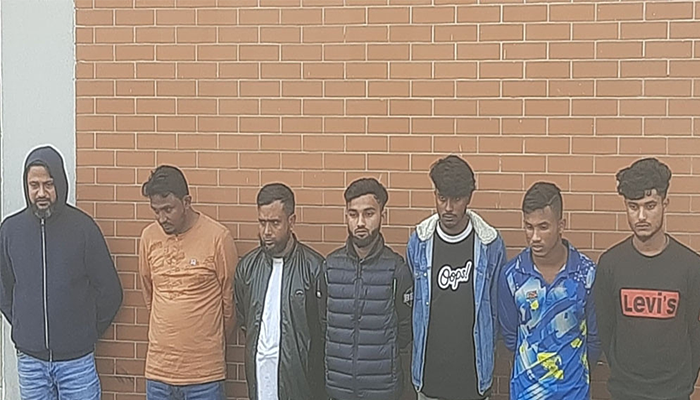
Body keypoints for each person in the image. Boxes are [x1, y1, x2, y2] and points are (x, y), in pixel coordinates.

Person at [0, 145, 123, 400]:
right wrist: (24, 326)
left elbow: (110, 291)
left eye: (48, 184)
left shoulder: (83, 229)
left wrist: (86, 332)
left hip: (77, 364)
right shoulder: (11, 231)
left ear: (60, 182)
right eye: (34, 185)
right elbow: (5, 289)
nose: (41, 193)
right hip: (31, 364)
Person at [594, 158, 700, 400]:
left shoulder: (691, 266)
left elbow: (695, 330)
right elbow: (606, 328)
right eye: (633, 207)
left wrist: (685, 382)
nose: (641, 216)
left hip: (674, 392)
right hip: (625, 391)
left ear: (665, 203)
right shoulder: (611, 264)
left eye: (650, 206)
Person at [406, 155, 507, 400]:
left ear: (469, 198)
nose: (449, 208)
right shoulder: (419, 241)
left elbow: (495, 309)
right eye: (442, 198)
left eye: (457, 199)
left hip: (474, 377)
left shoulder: (490, 244)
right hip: (429, 378)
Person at [138, 165, 237, 400]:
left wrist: (209, 342)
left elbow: (230, 301)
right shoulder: (148, 237)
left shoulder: (218, 238)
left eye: (168, 209)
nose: (162, 218)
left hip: (204, 375)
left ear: (187, 202)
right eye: (156, 211)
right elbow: (149, 294)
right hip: (158, 371)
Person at [498, 182, 600, 400]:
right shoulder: (511, 275)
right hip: (526, 393)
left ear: (561, 225)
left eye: (543, 227)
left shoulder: (587, 274)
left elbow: (595, 338)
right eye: (529, 227)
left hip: (574, 393)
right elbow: (510, 337)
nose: (535, 237)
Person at [319, 178, 413, 400]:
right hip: (338, 388)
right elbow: (323, 323)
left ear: (382, 215)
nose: (360, 222)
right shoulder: (329, 267)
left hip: (383, 389)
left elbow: (405, 329)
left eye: (368, 214)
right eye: (353, 214)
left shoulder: (397, 269)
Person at [234, 183, 325, 400]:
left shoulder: (314, 268)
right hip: (259, 379)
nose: (267, 232)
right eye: (262, 222)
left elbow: (322, 330)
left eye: (275, 223)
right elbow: (244, 319)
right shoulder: (247, 268)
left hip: (301, 384)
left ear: (291, 221)